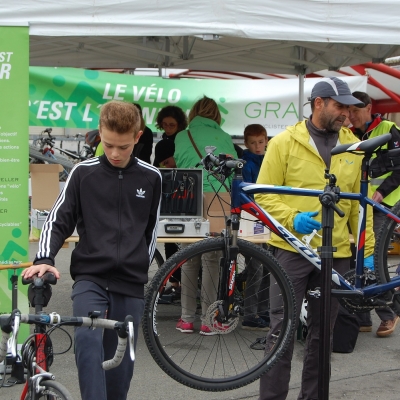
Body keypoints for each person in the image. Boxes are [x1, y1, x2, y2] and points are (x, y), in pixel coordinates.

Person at [22, 100, 162, 400]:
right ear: (100, 132)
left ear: (137, 137)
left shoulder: (152, 178)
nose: (114, 153)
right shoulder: (83, 173)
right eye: (108, 144)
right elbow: (59, 219)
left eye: (123, 147)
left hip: (130, 283)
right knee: (88, 345)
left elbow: (151, 232)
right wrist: (44, 258)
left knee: (121, 367)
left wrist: (140, 268)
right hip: (90, 278)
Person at [255, 77, 375, 400]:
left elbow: (359, 208)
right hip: (291, 249)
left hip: (335, 253)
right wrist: (293, 218)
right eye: (340, 107)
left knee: (324, 336)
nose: (346, 114)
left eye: (349, 108)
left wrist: (367, 252)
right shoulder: (283, 142)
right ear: (318, 104)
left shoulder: (353, 146)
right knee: (282, 331)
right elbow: (263, 195)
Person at [173, 95, 238, 335]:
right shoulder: (224, 137)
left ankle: (187, 319)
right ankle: (209, 320)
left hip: (187, 196)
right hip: (218, 198)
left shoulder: (182, 136)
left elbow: (181, 162)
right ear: (216, 115)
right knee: (212, 259)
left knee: (189, 258)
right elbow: (232, 171)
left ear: (193, 114)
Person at [349, 90, 400, 337]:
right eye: (349, 111)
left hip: (383, 205)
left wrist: (381, 191)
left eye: (356, 111)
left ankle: (389, 313)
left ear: (369, 108)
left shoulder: (390, 129)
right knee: (357, 259)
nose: (351, 116)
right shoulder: (348, 134)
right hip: (357, 205)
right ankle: (362, 316)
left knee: (375, 257)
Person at [241, 124, 270, 331]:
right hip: (253, 219)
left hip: (269, 217)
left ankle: (265, 310)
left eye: (261, 142)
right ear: (246, 143)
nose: (258, 146)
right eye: (253, 143)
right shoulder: (246, 164)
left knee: (269, 267)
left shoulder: (269, 159)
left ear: (267, 140)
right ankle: (250, 313)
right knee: (256, 269)